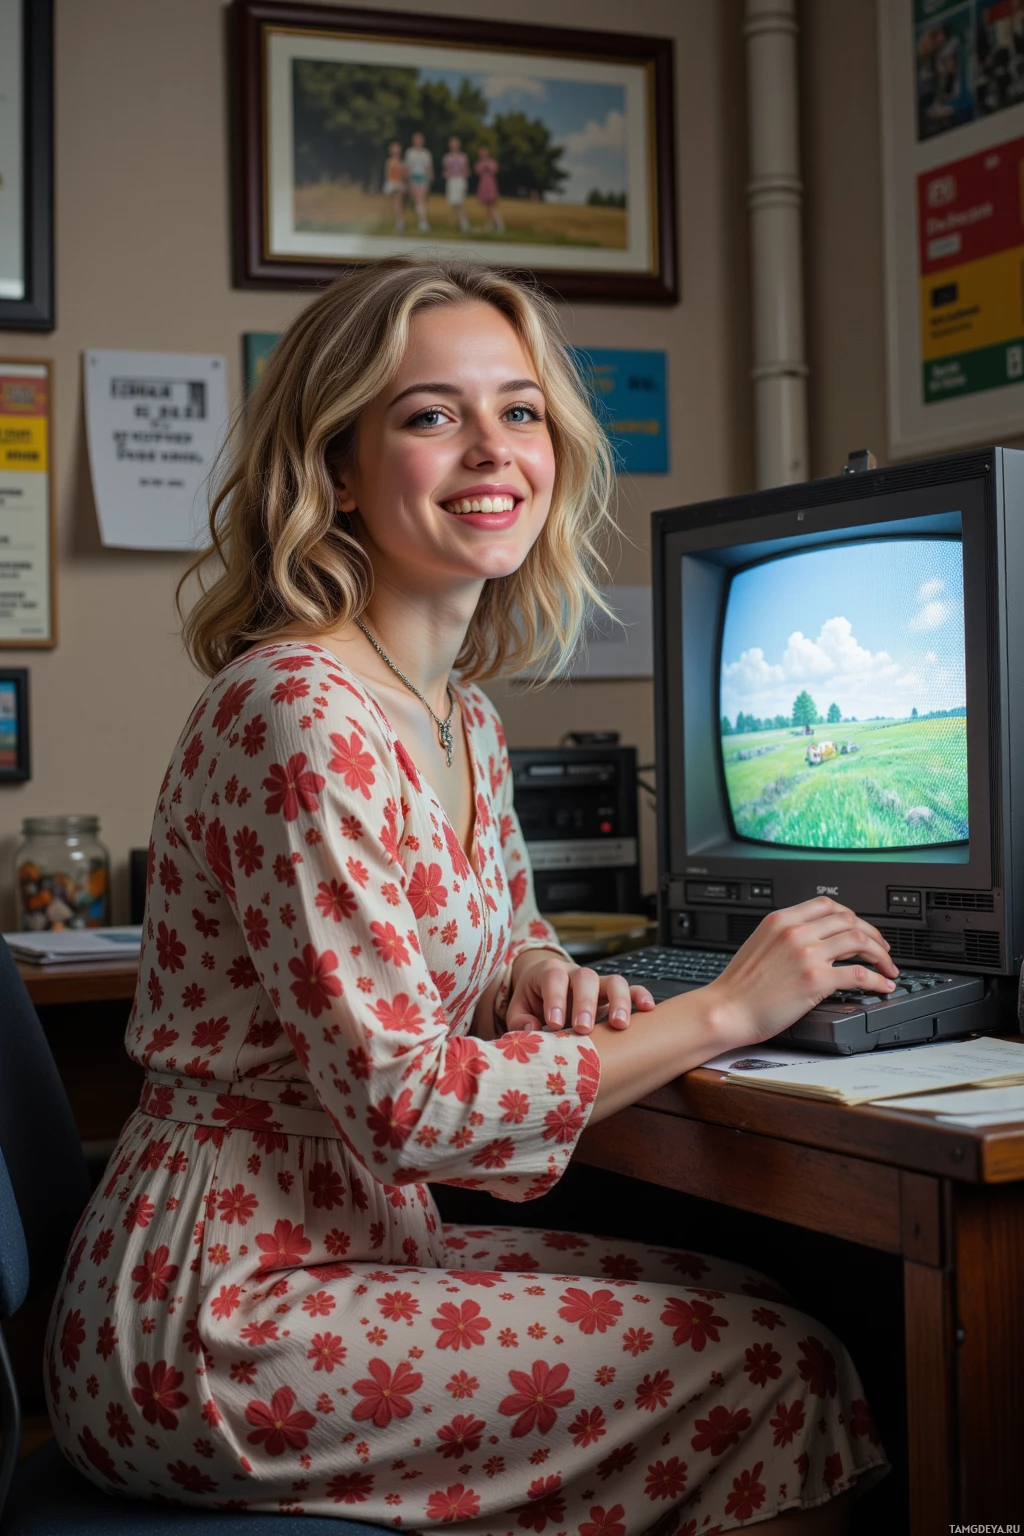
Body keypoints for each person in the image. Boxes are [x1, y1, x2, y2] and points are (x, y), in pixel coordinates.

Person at [45, 258, 890, 1531]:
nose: (493, 451)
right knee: (778, 1371)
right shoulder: (297, 713)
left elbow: (491, 933)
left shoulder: (460, 714)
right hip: (214, 1312)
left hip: (359, 1245)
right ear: (336, 466)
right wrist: (723, 1010)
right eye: (432, 414)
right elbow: (405, 1104)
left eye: (522, 411)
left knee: (775, 1301)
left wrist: (524, 975)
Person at [404, 130, 434, 233]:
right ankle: (423, 222)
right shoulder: (410, 152)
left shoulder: (426, 154)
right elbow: (407, 167)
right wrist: (407, 180)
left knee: (421, 201)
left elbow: (428, 167)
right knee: (418, 201)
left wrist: (430, 178)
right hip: (413, 178)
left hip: (423, 178)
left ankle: (422, 221)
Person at [443, 135, 472, 234]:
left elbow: (467, 170)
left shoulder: (463, 157)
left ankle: (464, 223)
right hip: (452, 180)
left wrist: (463, 173)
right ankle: (460, 223)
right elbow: (446, 171)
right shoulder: (447, 157)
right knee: (454, 203)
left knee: (460, 202)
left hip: (460, 179)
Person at [474, 145, 504, 233]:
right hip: (483, 184)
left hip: (490, 184)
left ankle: (499, 224)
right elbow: (477, 171)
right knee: (487, 207)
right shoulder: (479, 163)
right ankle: (489, 225)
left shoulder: (492, 162)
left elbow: (495, 169)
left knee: (493, 206)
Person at [382, 140, 408, 233]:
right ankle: (399, 221)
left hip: (399, 184)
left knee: (398, 203)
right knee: (396, 204)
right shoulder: (389, 162)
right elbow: (388, 175)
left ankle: (400, 221)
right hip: (393, 184)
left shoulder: (402, 163)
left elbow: (404, 176)